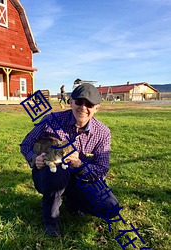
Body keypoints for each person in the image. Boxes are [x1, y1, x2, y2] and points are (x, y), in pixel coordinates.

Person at [20, 84, 119, 237]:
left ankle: (72, 201)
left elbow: (102, 168)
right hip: (50, 173)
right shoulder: (51, 120)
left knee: (110, 207)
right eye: (79, 102)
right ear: (70, 102)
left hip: (81, 177)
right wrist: (34, 158)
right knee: (57, 174)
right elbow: (26, 144)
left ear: (97, 108)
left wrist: (80, 165)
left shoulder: (103, 133)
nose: (83, 108)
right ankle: (51, 220)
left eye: (89, 104)